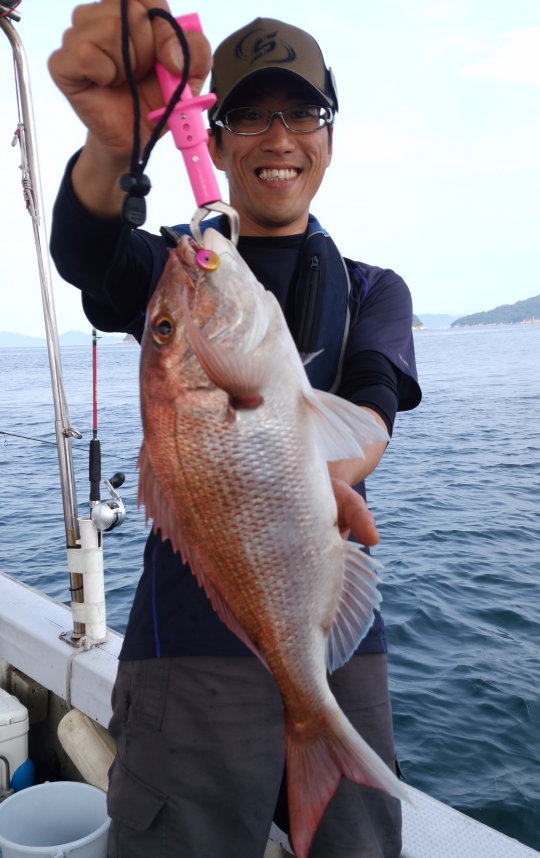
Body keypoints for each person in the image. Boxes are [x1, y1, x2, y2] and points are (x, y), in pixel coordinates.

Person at [49, 3, 421, 856]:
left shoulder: (375, 288)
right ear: (214, 142)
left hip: (330, 640)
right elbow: (88, 251)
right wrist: (110, 150)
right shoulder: (174, 266)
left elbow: (372, 410)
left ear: (329, 136)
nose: (278, 136)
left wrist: (319, 472)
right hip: (184, 650)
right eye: (249, 115)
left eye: (301, 113)